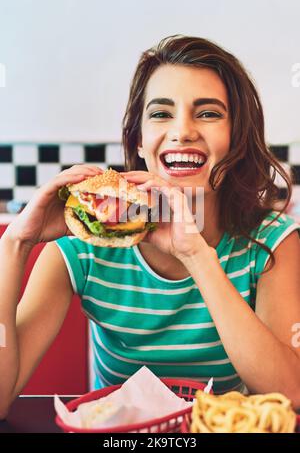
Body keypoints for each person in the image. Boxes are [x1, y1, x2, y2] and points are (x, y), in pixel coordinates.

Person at [1, 35, 300, 419]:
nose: (183, 131)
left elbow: (289, 393)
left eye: (208, 113)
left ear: (236, 139)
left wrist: (196, 255)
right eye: (161, 114)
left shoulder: (272, 241)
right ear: (139, 141)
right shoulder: (82, 248)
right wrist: (14, 243)